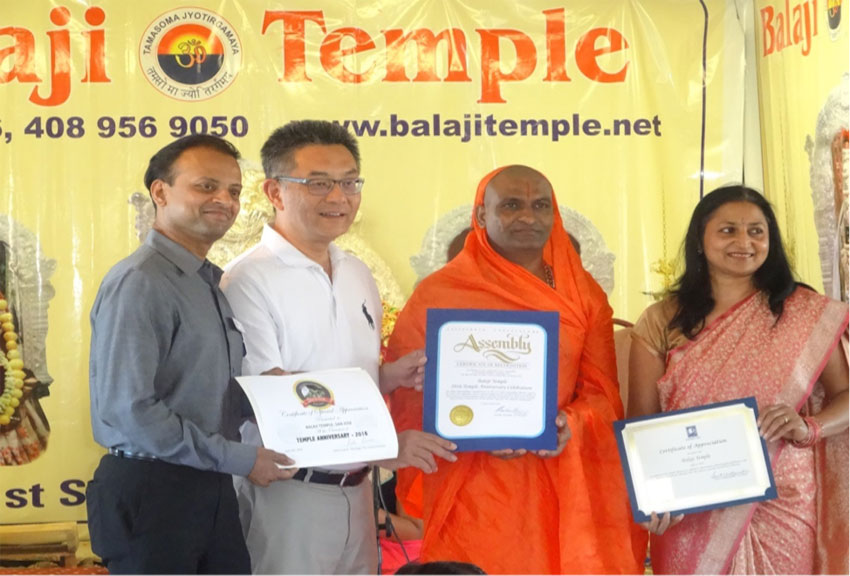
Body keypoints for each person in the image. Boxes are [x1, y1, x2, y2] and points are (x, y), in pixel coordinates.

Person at [220, 120, 456, 574]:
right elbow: (276, 395)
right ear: (274, 191)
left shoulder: (356, 273)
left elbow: (336, 372)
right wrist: (385, 445)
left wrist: (390, 376)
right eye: (319, 184)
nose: (339, 197)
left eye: (350, 182)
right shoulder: (248, 279)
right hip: (292, 493)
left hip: (359, 491)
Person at [385, 165, 646, 574]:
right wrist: (467, 430)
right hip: (470, 483)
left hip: (560, 475)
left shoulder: (583, 293)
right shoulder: (438, 293)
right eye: (511, 205)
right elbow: (406, 391)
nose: (528, 216)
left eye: (540, 205)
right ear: (481, 215)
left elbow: (603, 392)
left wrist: (570, 422)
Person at [87, 134, 297, 574]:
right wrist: (241, 458)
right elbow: (132, 413)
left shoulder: (205, 282)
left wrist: (276, 402)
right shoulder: (140, 282)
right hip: (155, 490)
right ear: (160, 192)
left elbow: (200, 393)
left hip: (208, 484)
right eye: (206, 186)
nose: (224, 199)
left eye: (234, 191)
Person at [628, 185, 849, 574]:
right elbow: (640, 423)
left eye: (756, 231)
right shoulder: (661, 320)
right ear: (700, 239)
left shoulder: (805, 311)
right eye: (728, 230)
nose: (744, 241)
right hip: (688, 504)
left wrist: (810, 427)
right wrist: (651, 497)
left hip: (782, 499)